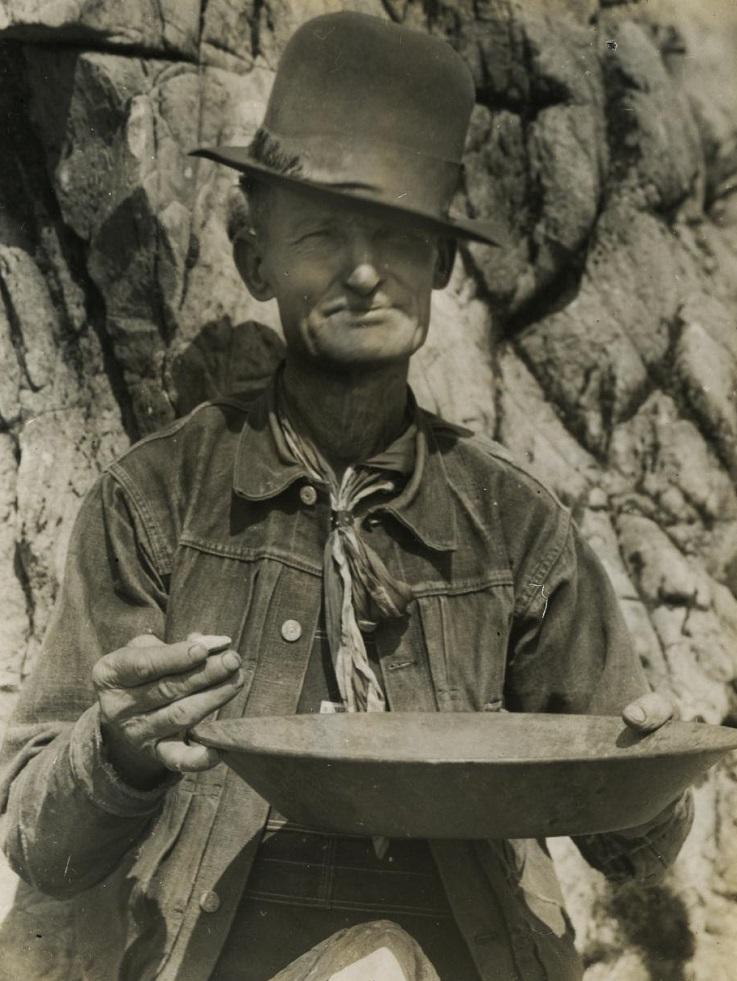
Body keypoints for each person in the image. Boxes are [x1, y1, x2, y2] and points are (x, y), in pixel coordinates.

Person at [0, 12, 693, 981]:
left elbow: (632, 849)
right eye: (322, 233)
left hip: (469, 946)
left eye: (397, 238)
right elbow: (42, 843)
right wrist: (117, 747)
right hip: (223, 944)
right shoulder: (155, 499)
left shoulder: (513, 524)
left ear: (440, 264)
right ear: (254, 257)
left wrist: (646, 773)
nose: (364, 272)